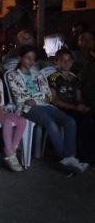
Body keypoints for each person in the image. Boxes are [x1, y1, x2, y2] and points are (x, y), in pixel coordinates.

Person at [6, 45, 88, 173]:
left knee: (70, 122)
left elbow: (48, 95)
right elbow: (20, 98)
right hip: (26, 108)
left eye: (33, 59)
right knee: (50, 123)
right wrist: (37, 97)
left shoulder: (38, 75)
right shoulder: (12, 75)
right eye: (28, 58)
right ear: (20, 58)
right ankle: (66, 158)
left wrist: (35, 98)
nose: (31, 61)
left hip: (44, 105)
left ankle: (70, 157)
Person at [47, 49, 94, 165]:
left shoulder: (75, 78)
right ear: (56, 62)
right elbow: (53, 100)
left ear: (73, 62)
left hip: (75, 107)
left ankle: (88, 155)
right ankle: (79, 155)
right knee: (81, 121)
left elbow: (78, 98)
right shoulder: (54, 78)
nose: (66, 63)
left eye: (69, 60)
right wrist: (75, 107)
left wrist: (84, 105)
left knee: (90, 117)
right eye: (62, 60)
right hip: (62, 108)